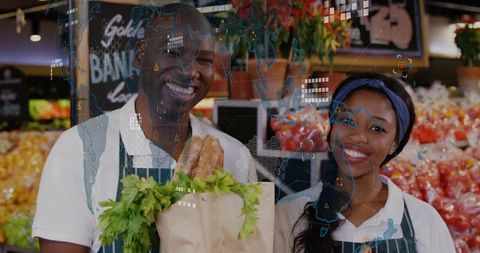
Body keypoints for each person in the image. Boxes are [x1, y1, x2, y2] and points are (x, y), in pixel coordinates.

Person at [32, 3, 257, 253]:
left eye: (203, 61)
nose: (191, 71)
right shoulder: (80, 150)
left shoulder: (235, 158)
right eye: (174, 53)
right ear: (141, 55)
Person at [274, 73, 455, 253]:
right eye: (347, 120)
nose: (358, 137)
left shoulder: (424, 221)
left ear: (395, 143)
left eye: (377, 128)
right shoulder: (290, 214)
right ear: (332, 126)